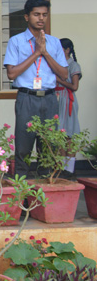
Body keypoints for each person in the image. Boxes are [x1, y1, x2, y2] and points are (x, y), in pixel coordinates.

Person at [3, 0, 68, 177]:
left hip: (49, 98)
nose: (41, 18)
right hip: (27, 98)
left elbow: (63, 74)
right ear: (26, 17)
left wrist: (45, 52)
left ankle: (42, 196)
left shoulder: (54, 43)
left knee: (48, 147)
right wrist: (37, 52)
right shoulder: (16, 41)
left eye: (44, 15)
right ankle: (21, 196)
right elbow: (12, 73)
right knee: (23, 148)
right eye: (36, 14)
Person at [55, 38, 81, 178]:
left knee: (68, 135)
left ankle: (70, 170)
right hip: (57, 99)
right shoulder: (57, 64)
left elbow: (74, 87)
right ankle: (61, 169)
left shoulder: (73, 65)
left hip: (67, 100)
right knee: (59, 135)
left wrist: (59, 80)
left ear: (67, 50)